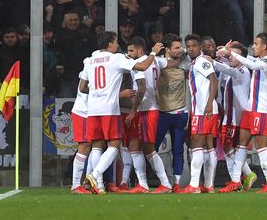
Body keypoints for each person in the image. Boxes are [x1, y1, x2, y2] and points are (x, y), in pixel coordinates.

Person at [81, 31, 163, 195]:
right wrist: (153, 52)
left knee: (97, 147)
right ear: (110, 43)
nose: (118, 45)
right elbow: (143, 66)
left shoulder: (89, 60)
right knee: (114, 145)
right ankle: (94, 175)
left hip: (92, 109)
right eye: (116, 42)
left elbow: (82, 88)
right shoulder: (116, 57)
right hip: (109, 109)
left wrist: (99, 91)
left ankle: (100, 186)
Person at [218, 33, 267, 193]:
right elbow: (250, 61)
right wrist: (226, 52)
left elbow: (252, 65)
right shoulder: (258, 59)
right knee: (241, 145)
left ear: (264, 46)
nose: (253, 46)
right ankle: (236, 181)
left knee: (261, 147)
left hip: (262, 109)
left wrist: (231, 53)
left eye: (256, 44)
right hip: (250, 108)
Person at [125, 36, 180, 194]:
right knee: (134, 146)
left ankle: (165, 184)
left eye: (131, 50)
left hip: (146, 110)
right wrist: (181, 56)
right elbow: (173, 63)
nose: (128, 54)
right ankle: (142, 184)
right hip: (146, 108)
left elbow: (141, 89)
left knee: (149, 148)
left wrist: (133, 111)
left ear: (140, 50)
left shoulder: (139, 64)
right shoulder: (155, 60)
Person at [205, 42, 257, 193]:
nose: (231, 57)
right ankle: (241, 178)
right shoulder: (234, 68)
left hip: (236, 117)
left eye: (234, 55)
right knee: (229, 147)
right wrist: (221, 53)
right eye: (230, 54)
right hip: (230, 115)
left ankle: (242, 177)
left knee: (228, 146)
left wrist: (214, 61)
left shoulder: (243, 71)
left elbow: (225, 68)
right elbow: (224, 65)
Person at [179, 34, 219, 194]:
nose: (190, 49)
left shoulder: (201, 62)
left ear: (200, 47)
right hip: (205, 109)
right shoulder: (195, 62)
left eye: (194, 45)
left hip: (204, 110)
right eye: (188, 46)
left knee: (196, 144)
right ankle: (208, 185)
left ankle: (194, 185)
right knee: (209, 146)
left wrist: (209, 104)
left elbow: (214, 80)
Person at [155, 33, 188, 193]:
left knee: (178, 150)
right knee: (151, 149)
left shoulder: (185, 62)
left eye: (180, 47)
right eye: (176, 47)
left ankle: (176, 183)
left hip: (180, 112)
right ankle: (161, 180)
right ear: (167, 49)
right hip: (162, 113)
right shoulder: (158, 63)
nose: (179, 50)